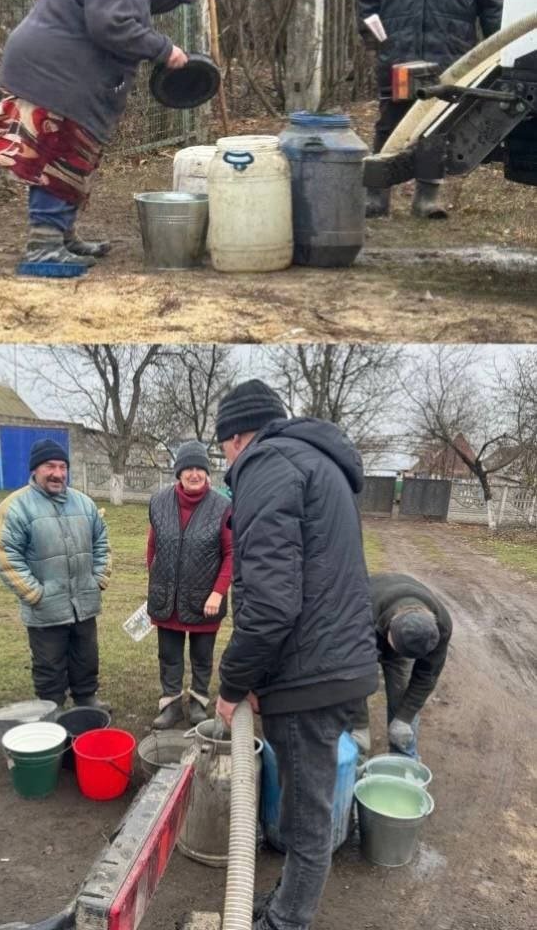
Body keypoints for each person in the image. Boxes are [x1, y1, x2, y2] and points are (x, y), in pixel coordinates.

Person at [0, 0, 218, 275]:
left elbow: (133, 0)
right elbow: (113, 24)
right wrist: (164, 49)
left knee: (74, 158)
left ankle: (62, 237)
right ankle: (43, 247)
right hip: (52, 76)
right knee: (55, 157)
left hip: (55, 71)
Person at [212, 380, 378, 930]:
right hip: (333, 664)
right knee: (306, 806)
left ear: (236, 437)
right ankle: (285, 902)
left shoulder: (267, 466)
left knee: (306, 820)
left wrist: (233, 683)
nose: (226, 463)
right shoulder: (318, 463)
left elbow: (271, 602)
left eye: (223, 450)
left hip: (312, 674)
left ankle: (287, 922)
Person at [358, 0, 506, 219]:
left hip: (450, 49)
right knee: (390, 120)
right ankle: (377, 195)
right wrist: (373, 35)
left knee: (437, 123)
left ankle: (428, 197)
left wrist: (498, 44)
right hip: (398, 49)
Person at [0, 439, 110, 708]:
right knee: (49, 664)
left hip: (84, 603)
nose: (58, 473)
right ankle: (51, 709)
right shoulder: (14, 508)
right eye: (49, 466)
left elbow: (101, 542)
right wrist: (35, 593)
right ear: (35, 470)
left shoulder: (85, 504)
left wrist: (98, 578)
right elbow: (5, 555)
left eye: (62, 466)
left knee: (86, 657)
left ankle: (86, 697)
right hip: (45, 607)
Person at [146, 440, 233, 730]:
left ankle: (198, 702)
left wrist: (218, 592)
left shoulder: (223, 507)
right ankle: (170, 705)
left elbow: (232, 553)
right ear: (178, 473)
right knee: (169, 655)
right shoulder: (158, 502)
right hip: (167, 598)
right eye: (188, 468)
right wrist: (158, 583)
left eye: (200, 468)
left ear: (208, 473)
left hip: (205, 599)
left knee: (201, 656)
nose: (194, 474)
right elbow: (153, 547)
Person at [351, 572, 452, 760]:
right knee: (353, 701)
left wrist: (404, 719)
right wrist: (359, 723)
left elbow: (426, 676)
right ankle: (355, 756)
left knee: (401, 696)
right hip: (366, 622)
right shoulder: (359, 615)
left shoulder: (442, 624)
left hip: (392, 621)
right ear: (389, 630)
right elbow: (352, 673)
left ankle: (403, 758)